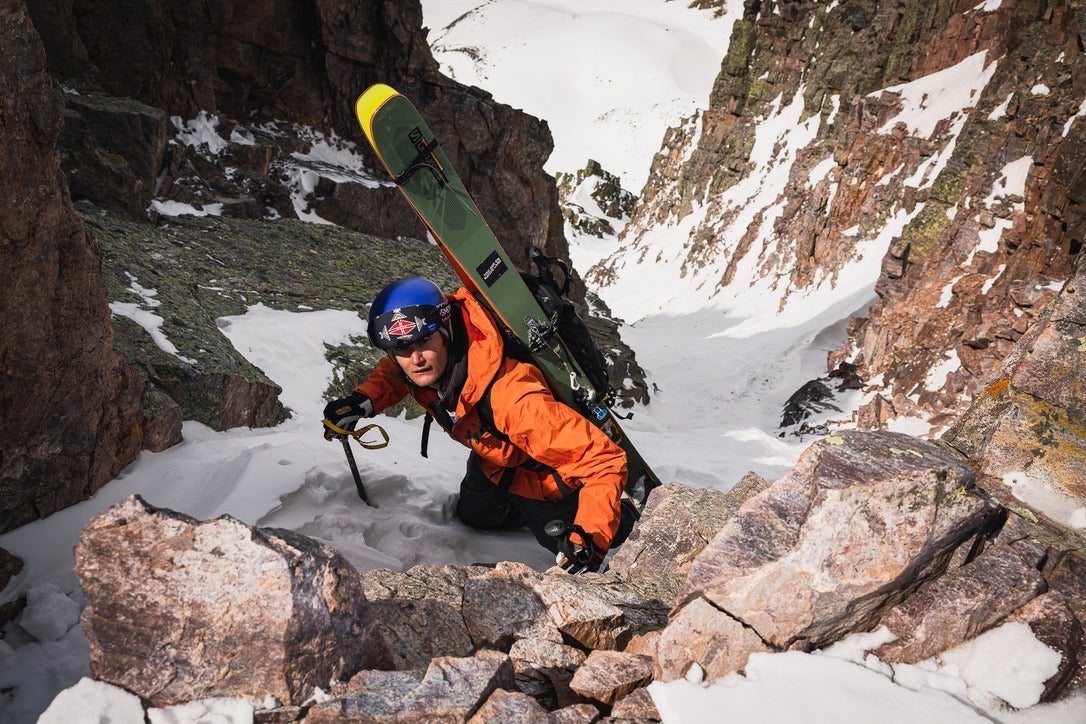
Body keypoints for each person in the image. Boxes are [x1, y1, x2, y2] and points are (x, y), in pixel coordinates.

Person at [323, 277, 637, 571]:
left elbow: (603, 459)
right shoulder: (427, 359)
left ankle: (623, 518)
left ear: (445, 332)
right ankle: (520, 510)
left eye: (423, 342)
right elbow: (396, 371)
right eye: (403, 349)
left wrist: (588, 540)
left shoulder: (513, 399)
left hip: (544, 474)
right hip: (494, 457)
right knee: (474, 516)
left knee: (560, 544)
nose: (415, 358)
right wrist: (364, 399)